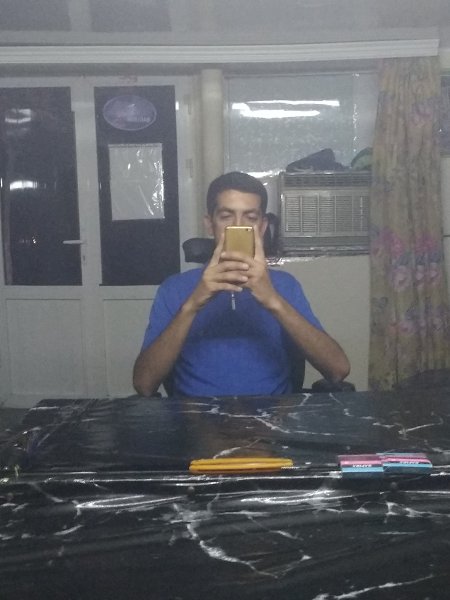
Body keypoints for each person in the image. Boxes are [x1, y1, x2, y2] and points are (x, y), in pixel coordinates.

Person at [133, 171, 350, 397]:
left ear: (262, 227)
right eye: (226, 216)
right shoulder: (174, 289)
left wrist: (273, 301)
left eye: (250, 218)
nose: (237, 226)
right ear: (210, 224)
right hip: (197, 415)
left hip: (271, 413)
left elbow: (338, 369)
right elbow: (143, 384)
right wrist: (193, 304)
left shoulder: (285, 286)